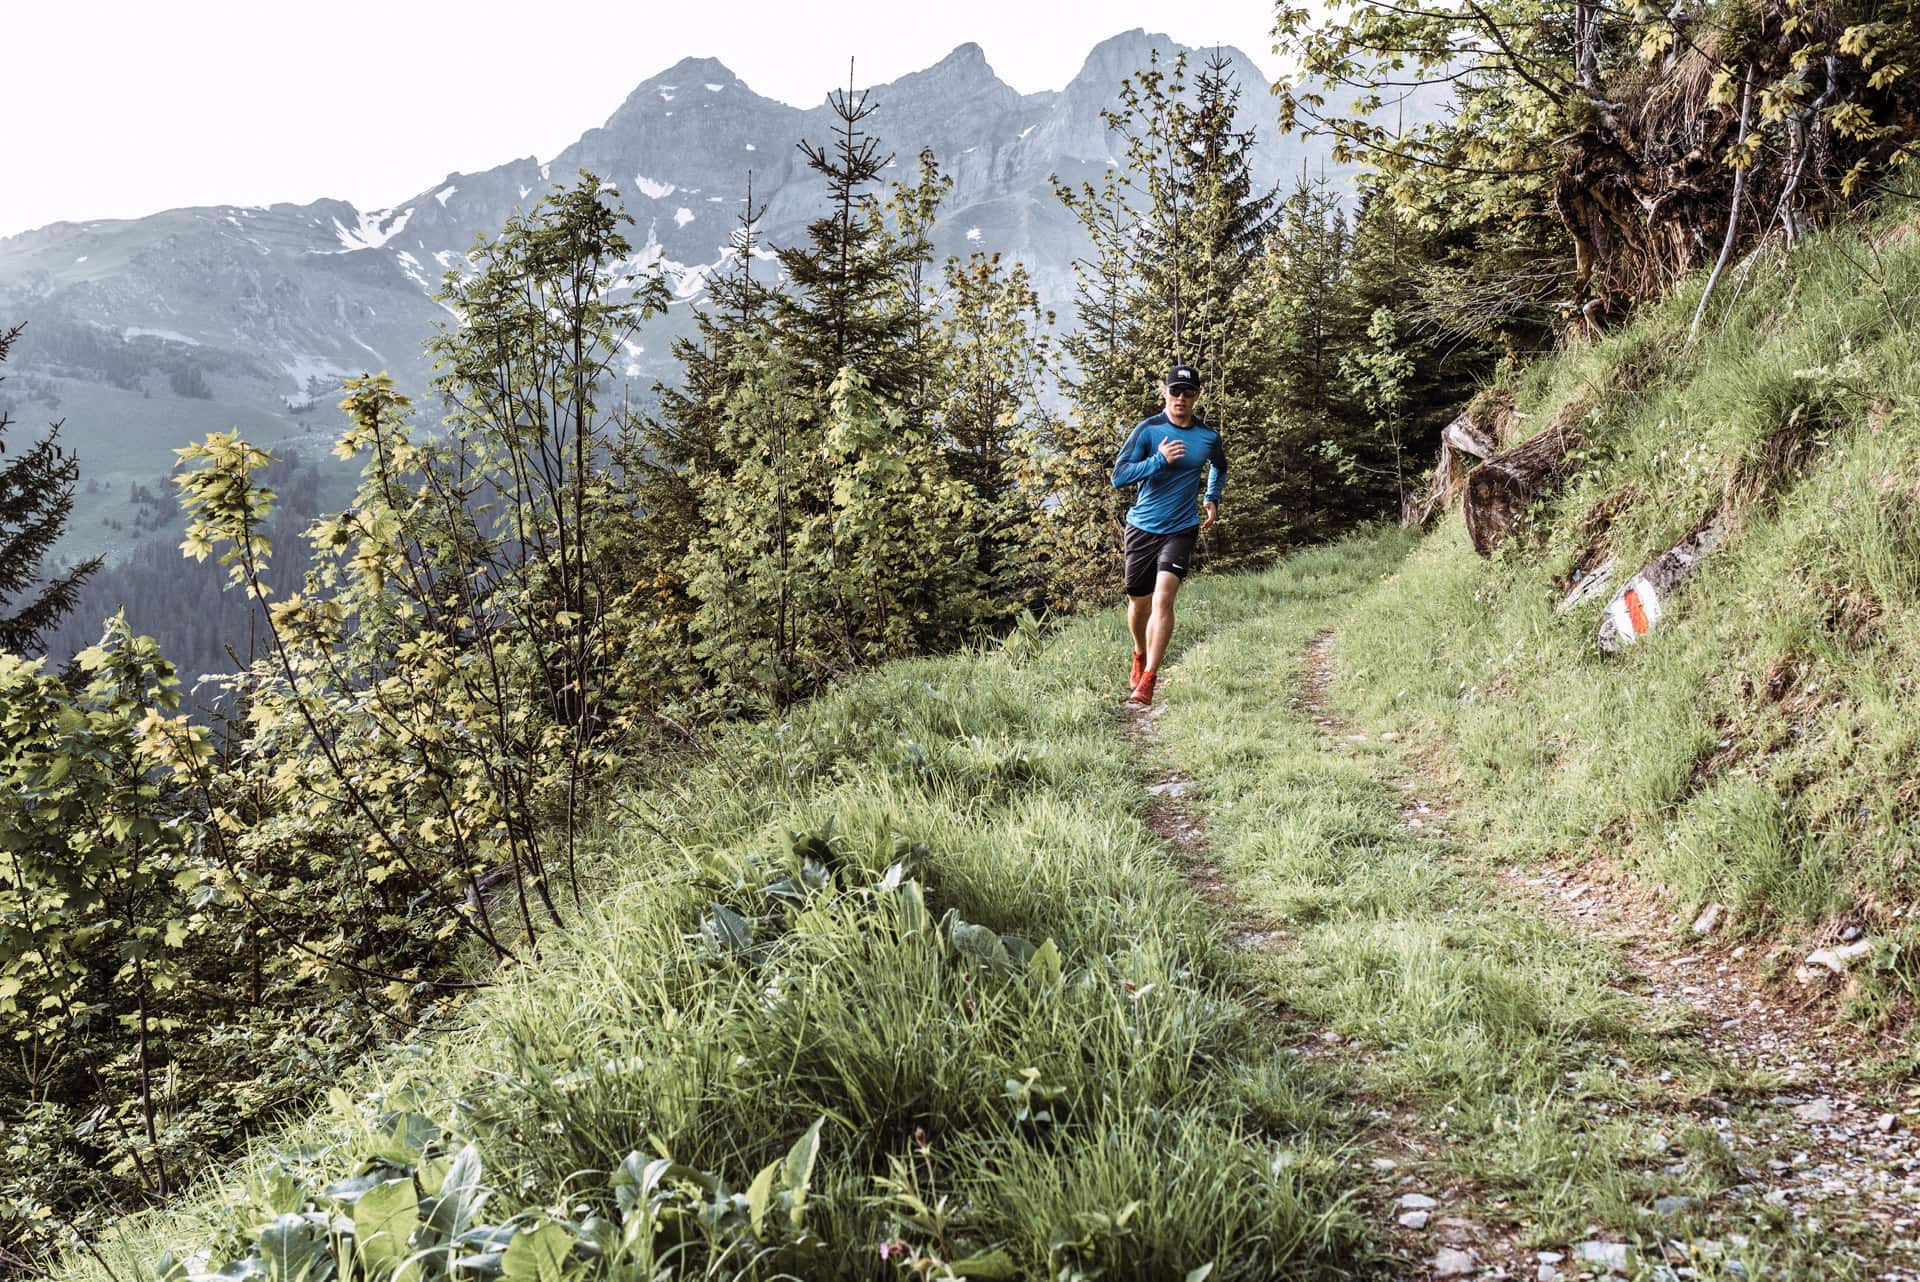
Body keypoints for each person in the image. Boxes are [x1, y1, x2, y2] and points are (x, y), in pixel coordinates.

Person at [1110, 364, 1226, 705]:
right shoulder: (1149, 430)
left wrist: (1211, 498)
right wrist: (1158, 460)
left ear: (1197, 396)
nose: (1181, 398)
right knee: (1138, 601)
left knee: (1164, 598)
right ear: (1165, 392)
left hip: (1181, 528)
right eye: (1175, 391)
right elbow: (1119, 476)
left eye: (1188, 392)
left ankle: (1148, 681)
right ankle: (1139, 652)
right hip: (1142, 528)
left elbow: (1219, 465)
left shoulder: (1207, 437)